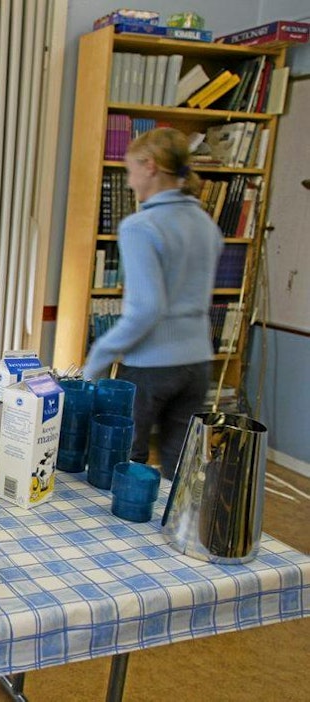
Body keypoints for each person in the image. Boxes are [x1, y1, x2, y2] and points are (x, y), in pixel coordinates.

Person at [81, 127, 223, 478]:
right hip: (198, 362)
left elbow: (147, 308)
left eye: (130, 171)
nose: (130, 183)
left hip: (151, 366)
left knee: (122, 463)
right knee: (181, 472)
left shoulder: (140, 227)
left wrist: (97, 358)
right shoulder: (206, 225)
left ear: (150, 166)